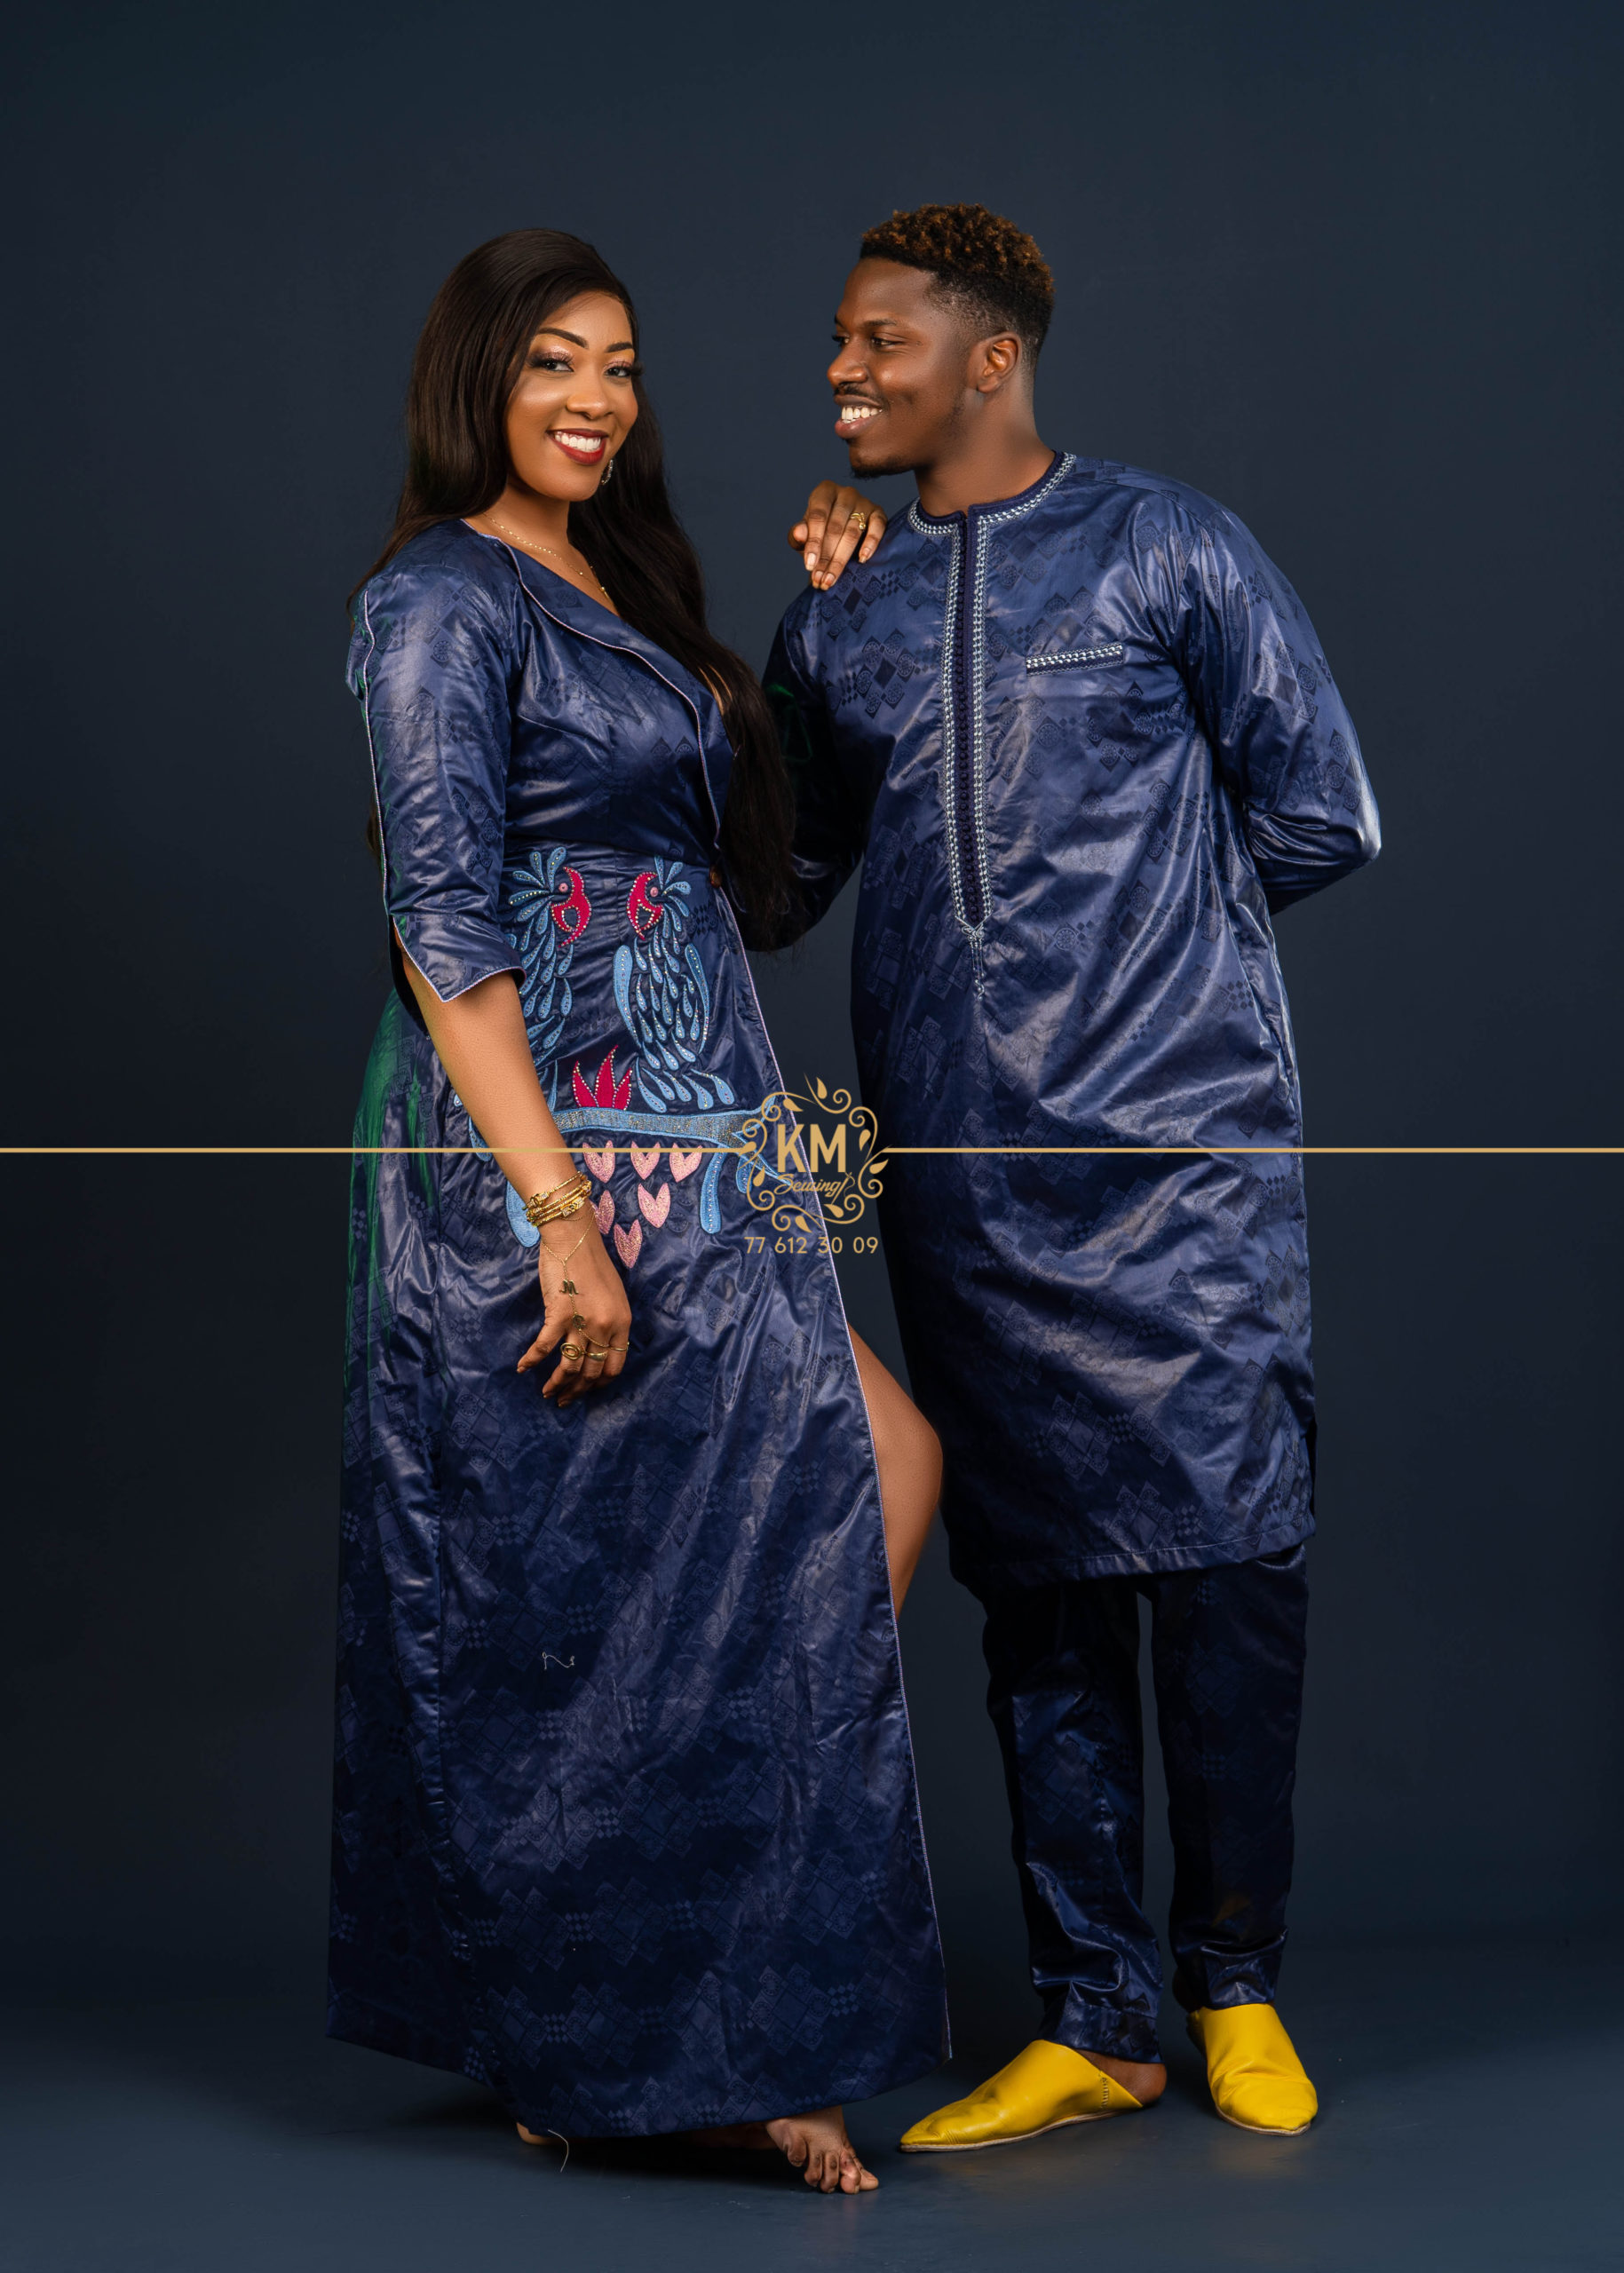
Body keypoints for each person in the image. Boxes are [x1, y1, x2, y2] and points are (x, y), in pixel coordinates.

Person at [331, 227, 947, 2195]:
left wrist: (822, 633)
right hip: (559, 1150)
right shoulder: (440, 598)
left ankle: (664, 2008)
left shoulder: (628, 585)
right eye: (552, 363)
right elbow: (443, 927)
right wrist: (556, 1215)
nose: (595, 397)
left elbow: (761, 889)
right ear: (478, 381)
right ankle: (641, 2032)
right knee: (593, 1595)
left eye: (617, 363)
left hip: (711, 1137)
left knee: (832, 1497)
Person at [765, 203, 1381, 2150]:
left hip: (1180, 1164)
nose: (841, 371)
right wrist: (701, 693)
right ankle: (1095, 2015)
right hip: (966, 1176)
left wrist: (1149, 987)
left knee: (1225, 1570)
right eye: (839, 340)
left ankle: (1234, 1979)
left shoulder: (1168, 545)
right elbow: (781, 880)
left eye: (877, 339)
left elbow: (1321, 806)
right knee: (1034, 1587)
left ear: (992, 355)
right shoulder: (842, 608)